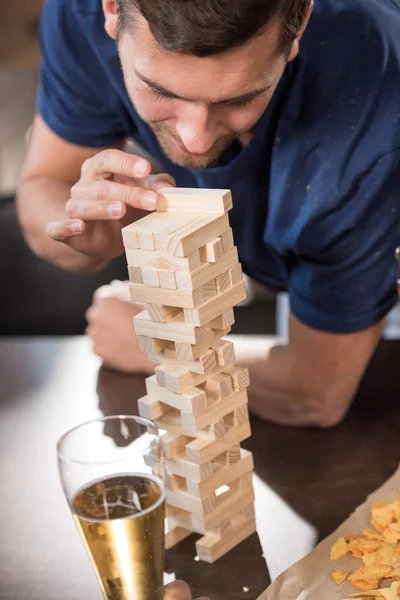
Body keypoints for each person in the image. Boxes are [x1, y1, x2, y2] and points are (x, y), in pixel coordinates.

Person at [16, 0, 400, 427]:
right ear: (111, 10)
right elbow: (44, 185)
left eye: (241, 98)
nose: (194, 141)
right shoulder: (80, 13)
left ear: (300, 25)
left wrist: (160, 347)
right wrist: (80, 235)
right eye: (160, 90)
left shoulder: (375, 117)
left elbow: (314, 394)